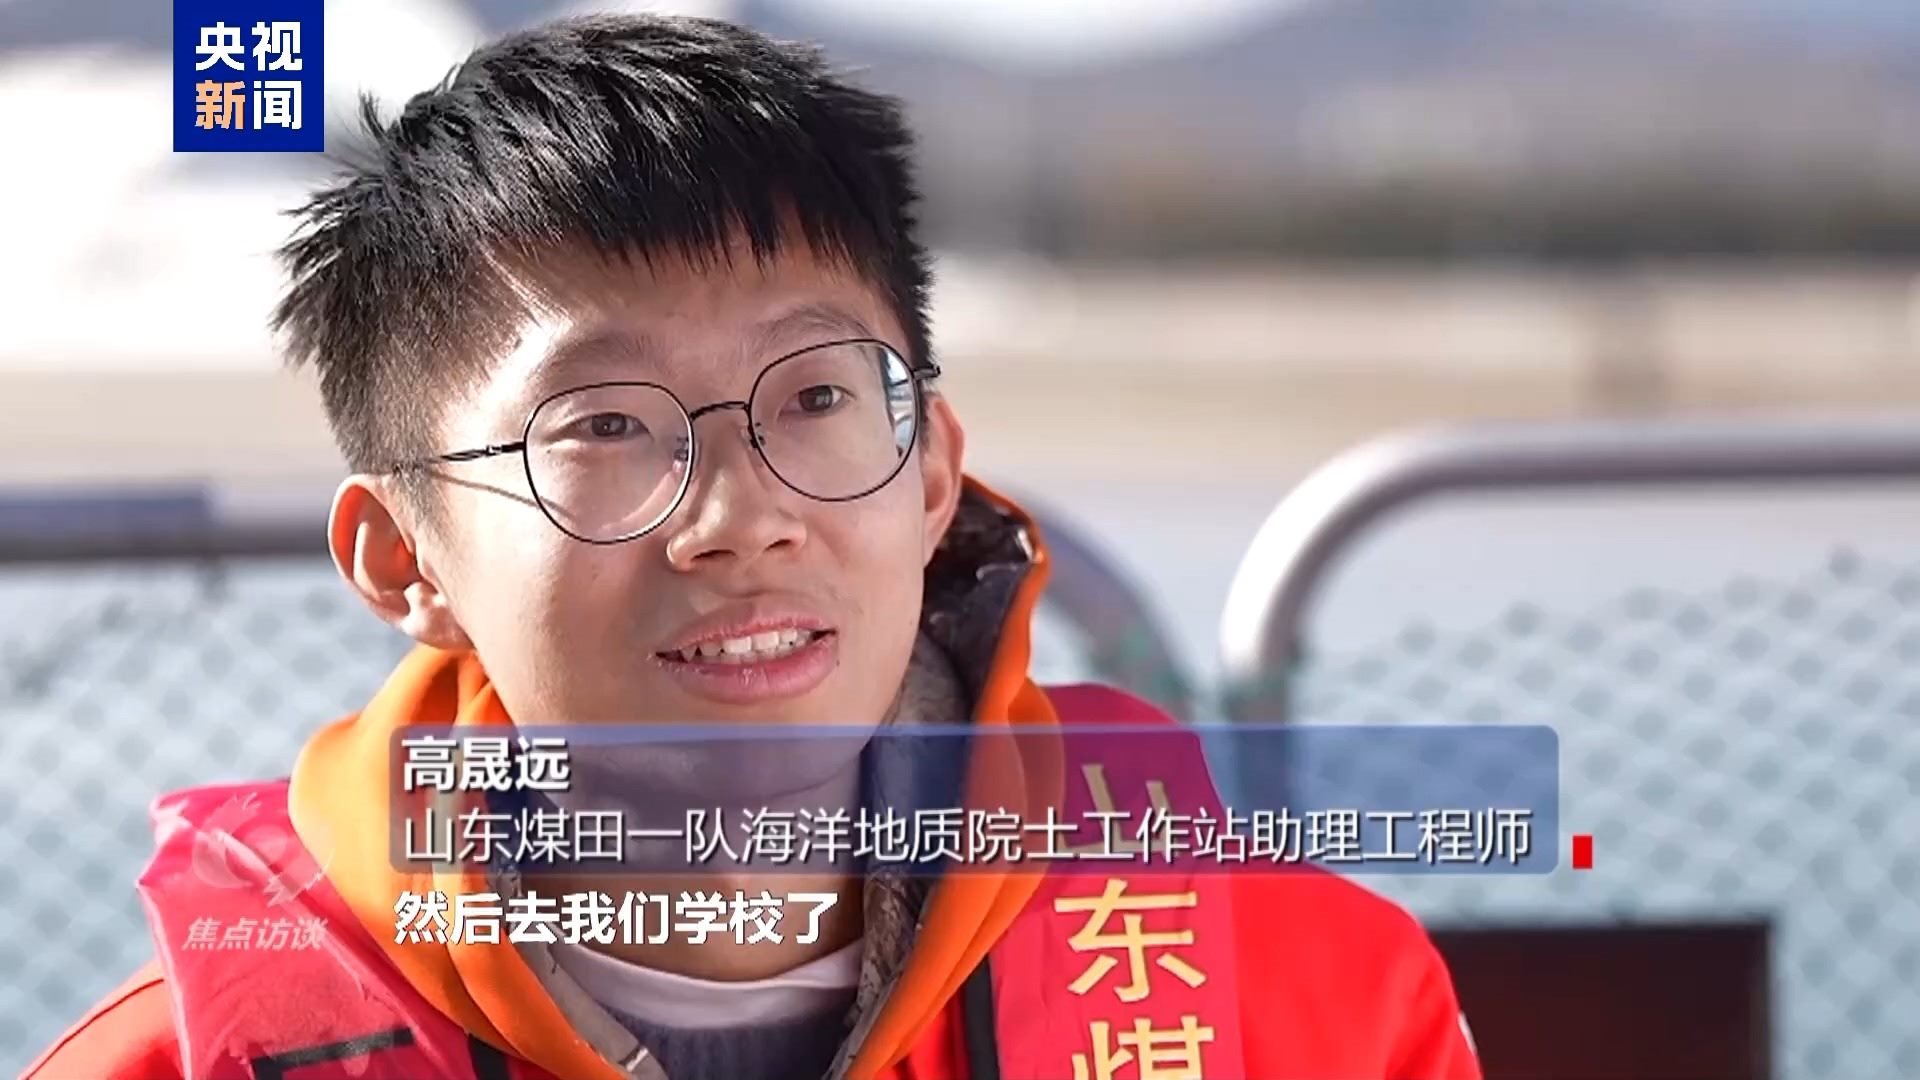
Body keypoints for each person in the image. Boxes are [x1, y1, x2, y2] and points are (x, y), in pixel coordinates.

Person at [26, 13, 1481, 1080]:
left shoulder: (1314, 1006)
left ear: (933, 475)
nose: (741, 517)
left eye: (820, 399)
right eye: (604, 427)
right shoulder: (173, 1065)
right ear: (406, 559)